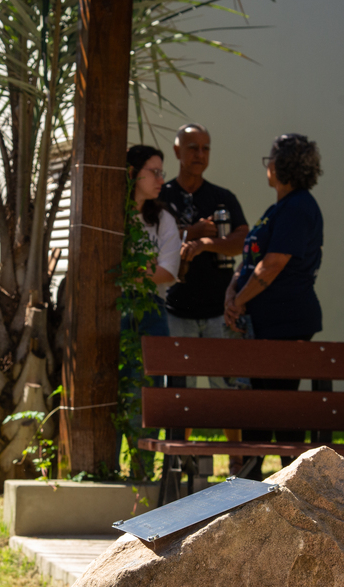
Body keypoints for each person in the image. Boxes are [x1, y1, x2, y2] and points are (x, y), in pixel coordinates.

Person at [224, 134, 324, 479]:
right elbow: (253, 259)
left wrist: (239, 301)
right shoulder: (277, 209)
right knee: (262, 408)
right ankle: (252, 487)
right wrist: (232, 292)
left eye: (270, 159)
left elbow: (273, 264)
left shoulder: (298, 207)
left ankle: (292, 489)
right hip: (263, 323)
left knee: (281, 410)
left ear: (281, 166)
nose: (267, 165)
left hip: (287, 321)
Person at [120, 145, 180, 479]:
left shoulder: (162, 217)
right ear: (132, 173)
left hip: (151, 308)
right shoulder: (112, 214)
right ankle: (108, 467)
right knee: (114, 384)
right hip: (114, 308)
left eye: (161, 172)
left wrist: (132, 268)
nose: (160, 179)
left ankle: (141, 472)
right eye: (153, 172)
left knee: (147, 389)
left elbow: (168, 271)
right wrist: (145, 266)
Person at [160, 124, 248, 347]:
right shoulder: (161, 196)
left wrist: (206, 244)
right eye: (193, 148)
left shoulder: (223, 197)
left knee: (223, 371)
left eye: (205, 148)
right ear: (177, 151)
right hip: (175, 310)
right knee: (178, 372)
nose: (200, 154)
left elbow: (242, 242)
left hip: (220, 312)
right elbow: (152, 244)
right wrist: (192, 232)